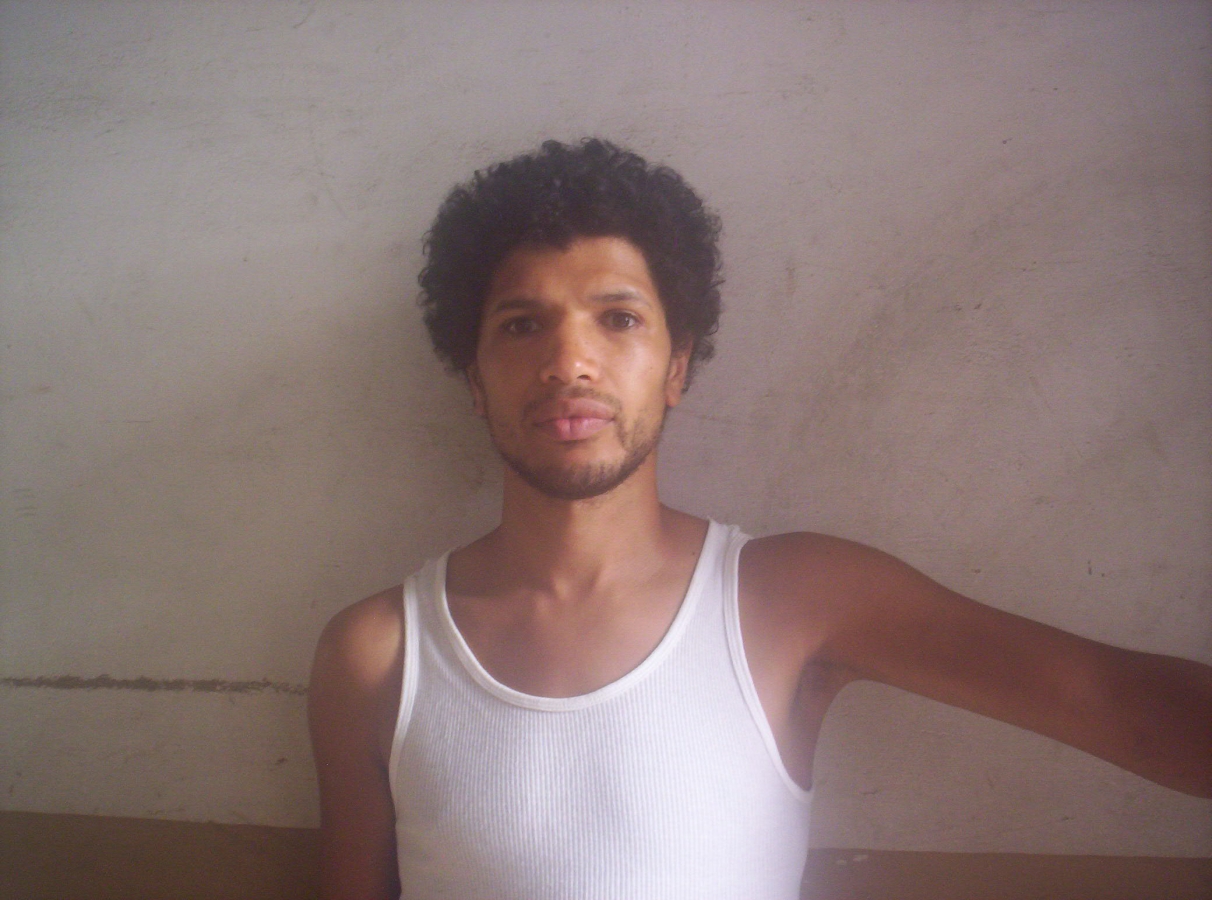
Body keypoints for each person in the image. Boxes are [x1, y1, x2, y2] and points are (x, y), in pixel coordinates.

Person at [308, 138, 1212, 900]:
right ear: (473, 378)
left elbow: (1122, 705)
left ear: (677, 366)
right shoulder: (377, 654)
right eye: (520, 325)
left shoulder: (795, 602)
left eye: (618, 318)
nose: (569, 361)